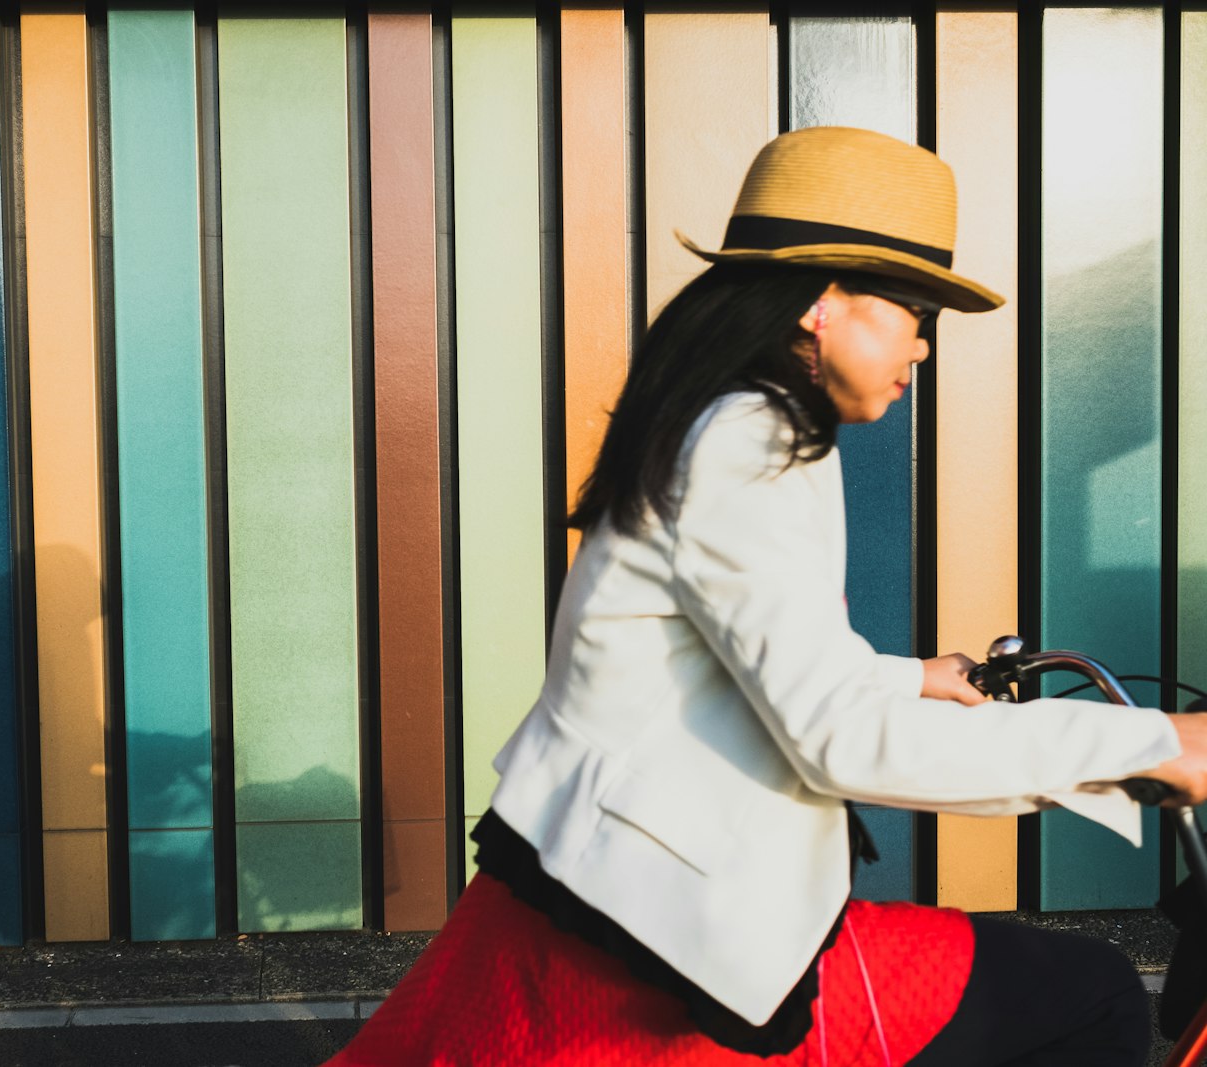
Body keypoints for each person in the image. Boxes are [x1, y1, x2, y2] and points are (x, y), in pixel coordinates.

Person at [326, 126, 1207, 1066]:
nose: (922, 344)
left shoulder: (723, 415)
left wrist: (916, 677)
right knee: (1094, 994)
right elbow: (834, 735)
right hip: (664, 932)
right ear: (826, 302)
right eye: (916, 310)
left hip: (606, 890)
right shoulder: (757, 440)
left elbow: (726, 652)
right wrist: (1155, 743)